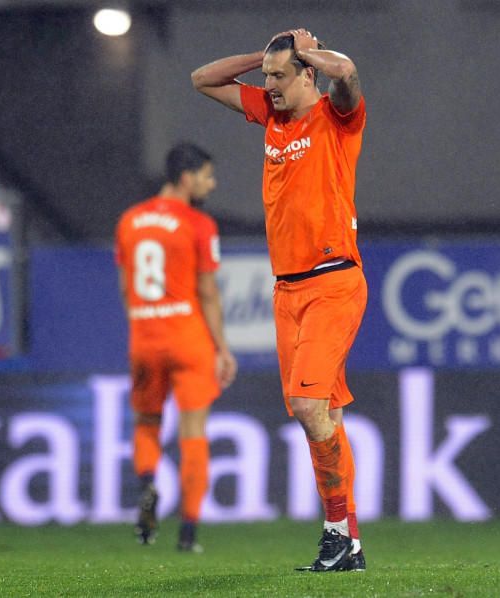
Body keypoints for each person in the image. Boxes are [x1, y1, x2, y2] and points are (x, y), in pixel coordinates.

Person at [191, 28, 367, 572]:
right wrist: (266, 57)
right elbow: (202, 79)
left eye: (279, 77)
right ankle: (349, 544)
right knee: (323, 415)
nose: (268, 86)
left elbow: (348, 75)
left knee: (313, 410)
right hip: (287, 290)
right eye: (265, 77)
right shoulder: (271, 116)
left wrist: (307, 54)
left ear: (306, 73)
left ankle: (336, 532)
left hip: (333, 280)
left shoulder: (337, 118)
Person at [115, 142, 237, 552]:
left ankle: (148, 484)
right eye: (206, 175)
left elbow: (125, 288)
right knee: (193, 435)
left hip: (144, 337)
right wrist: (222, 347)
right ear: (186, 178)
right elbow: (208, 293)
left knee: (147, 422)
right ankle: (188, 532)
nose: (212, 183)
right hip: (187, 338)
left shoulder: (129, 220)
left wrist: (143, 324)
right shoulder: (199, 224)